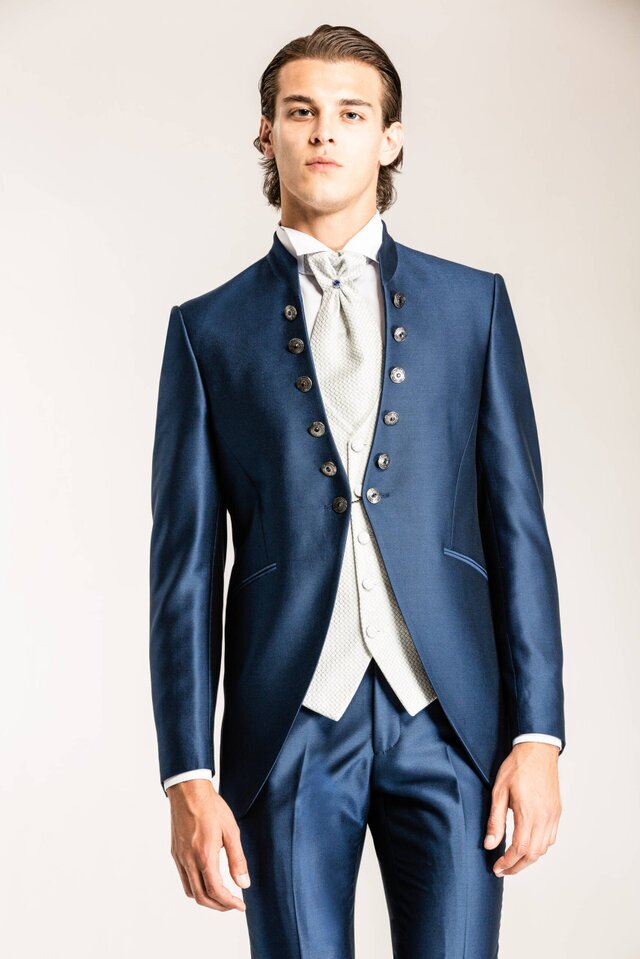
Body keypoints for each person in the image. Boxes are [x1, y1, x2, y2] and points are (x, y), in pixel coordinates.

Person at [149, 23, 566, 958]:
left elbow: (518, 530)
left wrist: (538, 733)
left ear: (390, 138)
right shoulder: (206, 331)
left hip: (450, 721)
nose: (325, 132)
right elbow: (183, 573)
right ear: (267, 135)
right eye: (301, 112)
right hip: (287, 724)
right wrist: (187, 774)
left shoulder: (473, 307)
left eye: (351, 112)